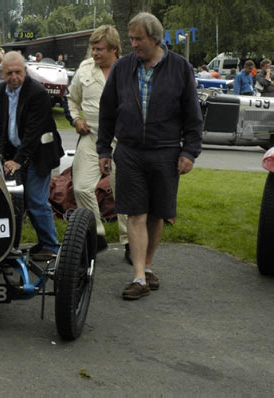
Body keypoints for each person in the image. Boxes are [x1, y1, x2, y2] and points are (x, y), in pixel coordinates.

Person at [97, 12, 202, 300]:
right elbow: (107, 112)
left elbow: (193, 116)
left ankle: (149, 266)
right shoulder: (122, 68)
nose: (133, 44)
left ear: (155, 39)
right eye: (130, 38)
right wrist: (104, 149)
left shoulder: (180, 67)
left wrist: (190, 151)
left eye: (138, 39)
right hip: (129, 151)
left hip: (166, 151)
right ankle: (139, 276)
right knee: (135, 213)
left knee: (158, 214)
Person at [67, 25, 130, 262]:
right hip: (92, 138)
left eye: (99, 49)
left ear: (114, 49)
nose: (94, 53)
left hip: (122, 142)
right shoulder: (84, 69)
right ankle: (98, 234)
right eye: (92, 48)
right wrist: (76, 118)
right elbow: (72, 100)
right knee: (81, 187)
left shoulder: (129, 70)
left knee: (124, 194)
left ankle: (129, 243)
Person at [0, 51, 64, 260]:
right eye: (9, 73)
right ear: (2, 74)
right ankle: (42, 242)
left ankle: (52, 246)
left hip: (40, 153)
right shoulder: (0, 90)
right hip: (16, 152)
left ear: (25, 71)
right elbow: (2, 124)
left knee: (36, 200)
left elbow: (34, 132)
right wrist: (0, 154)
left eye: (18, 72)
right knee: (19, 200)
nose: (14, 77)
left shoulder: (38, 93)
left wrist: (18, 160)